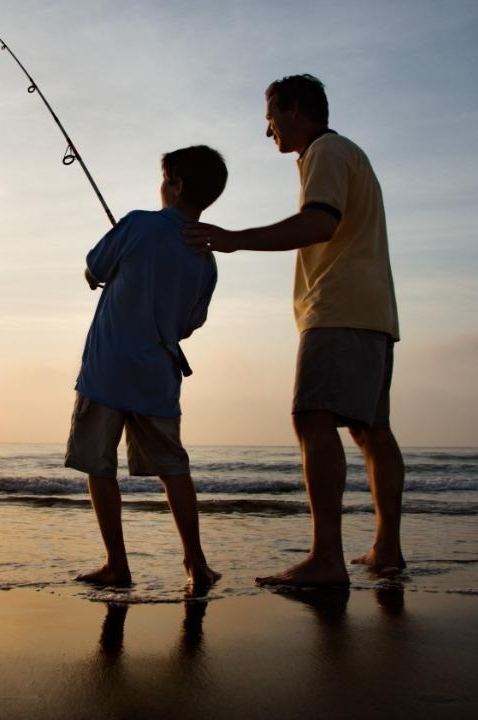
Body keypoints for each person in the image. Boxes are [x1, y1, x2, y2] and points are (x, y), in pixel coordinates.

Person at [185, 75, 404, 588]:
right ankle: (387, 549)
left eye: (271, 118)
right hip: (373, 311)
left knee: (312, 418)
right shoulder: (348, 153)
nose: (269, 132)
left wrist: (234, 239)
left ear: (296, 110)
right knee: (371, 430)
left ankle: (326, 558)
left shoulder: (325, 151)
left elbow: (319, 224)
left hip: (338, 307)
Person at [66, 145, 228, 588]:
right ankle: (196, 563)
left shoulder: (138, 223)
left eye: (163, 179)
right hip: (158, 376)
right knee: (173, 468)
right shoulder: (206, 259)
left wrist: (108, 271)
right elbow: (189, 324)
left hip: (106, 370)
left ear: (175, 184)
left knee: (99, 465)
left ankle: (117, 564)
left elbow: (93, 270)